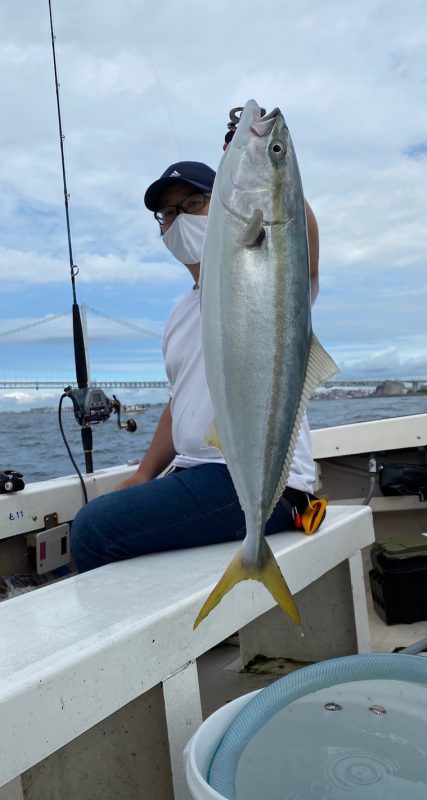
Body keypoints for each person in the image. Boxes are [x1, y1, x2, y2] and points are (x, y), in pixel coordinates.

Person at [71, 144, 323, 573]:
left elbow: (300, 247)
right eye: (168, 213)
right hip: (199, 473)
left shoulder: (263, 274)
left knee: (92, 530)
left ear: (224, 204)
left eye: (193, 203)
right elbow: (179, 401)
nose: (178, 219)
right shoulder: (178, 315)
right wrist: (145, 474)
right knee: (106, 514)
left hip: (265, 482)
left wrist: (263, 174)